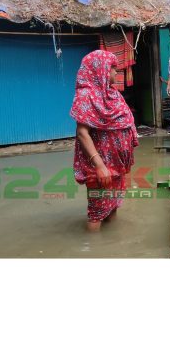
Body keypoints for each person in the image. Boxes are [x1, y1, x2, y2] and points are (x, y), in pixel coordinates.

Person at [70, 50, 139, 232]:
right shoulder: (86, 95)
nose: (116, 73)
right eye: (112, 69)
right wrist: (99, 166)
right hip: (101, 166)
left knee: (113, 205)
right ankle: (94, 249)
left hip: (117, 166)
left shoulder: (111, 93)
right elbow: (82, 133)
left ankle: (112, 246)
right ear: (99, 69)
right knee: (97, 211)